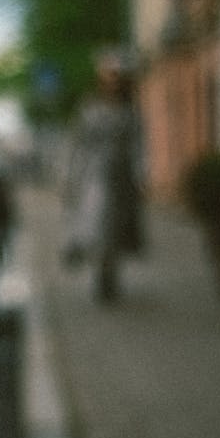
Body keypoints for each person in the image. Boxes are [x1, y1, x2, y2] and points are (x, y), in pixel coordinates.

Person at [62, 49, 144, 301]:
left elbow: (138, 145)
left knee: (115, 230)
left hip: (122, 177)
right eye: (108, 76)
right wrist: (69, 175)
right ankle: (94, 268)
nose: (112, 81)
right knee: (96, 224)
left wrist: (141, 174)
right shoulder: (88, 108)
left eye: (116, 77)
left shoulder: (129, 110)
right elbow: (76, 144)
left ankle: (110, 276)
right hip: (92, 175)